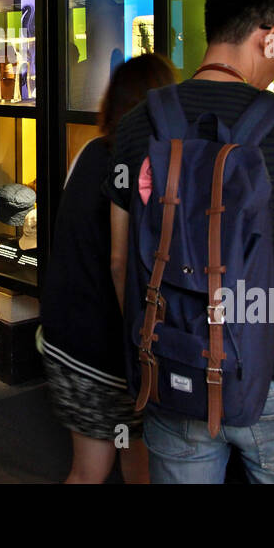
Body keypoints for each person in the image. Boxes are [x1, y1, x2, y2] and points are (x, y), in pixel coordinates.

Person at [104, 0, 274, 483]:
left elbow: (120, 262)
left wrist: (148, 345)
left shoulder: (137, 127)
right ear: (269, 35)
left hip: (175, 366)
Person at [41, 52, 176, 484]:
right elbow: (123, 264)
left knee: (113, 460)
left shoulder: (88, 151)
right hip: (105, 352)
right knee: (115, 467)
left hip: (66, 339)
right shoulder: (140, 165)